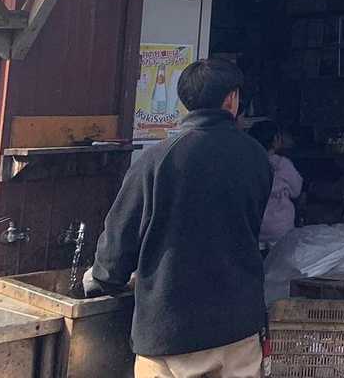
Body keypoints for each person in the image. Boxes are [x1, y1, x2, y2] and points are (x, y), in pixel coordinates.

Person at [86, 59, 272, 378]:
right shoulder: (257, 157)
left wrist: (103, 279)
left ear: (185, 101)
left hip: (170, 330)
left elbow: (120, 239)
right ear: (232, 99)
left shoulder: (157, 159)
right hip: (239, 326)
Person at [250, 121, 303, 251]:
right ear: (275, 140)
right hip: (280, 227)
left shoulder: (248, 164)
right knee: (281, 259)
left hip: (256, 226)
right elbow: (296, 190)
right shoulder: (283, 164)